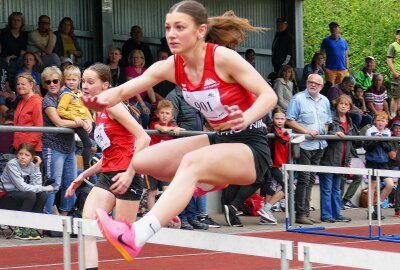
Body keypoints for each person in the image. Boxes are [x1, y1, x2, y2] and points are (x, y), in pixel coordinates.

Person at [83, 0, 276, 261]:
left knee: (192, 162)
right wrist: (100, 99)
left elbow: (268, 95)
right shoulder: (172, 66)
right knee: (141, 160)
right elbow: (126, 89)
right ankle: (182, 194)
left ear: (200, 31)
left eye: (180, 27)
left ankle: (137, 234)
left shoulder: (222, 58)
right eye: (168, 27)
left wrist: (247, 116)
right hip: (219, 141)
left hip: (251, 146)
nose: (171, 34)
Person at [65, 63, 150, 269]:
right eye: (83, 81)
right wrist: (82, 175)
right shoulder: (97, 111)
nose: (84, 85)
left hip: (125, 176)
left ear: (105, 85)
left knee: (122, 240)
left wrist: (130, 173)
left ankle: (158, 217)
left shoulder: (113, 105)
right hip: (107, 175)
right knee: (87, 225)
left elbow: (144, 138)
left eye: (90, 82)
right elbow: (110, 155)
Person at [41, 66, 89, 216]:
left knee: (71, 184)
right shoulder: (47, 100)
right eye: (48, 82)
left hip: (69, 148)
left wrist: (87, 119)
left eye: (55, 81)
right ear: (44, 84)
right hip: (53, 147)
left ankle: (65, 218)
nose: (52, 84)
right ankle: (47, 220)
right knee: (53, 185)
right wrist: (82, 122)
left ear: (60, 81)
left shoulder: (68, 94)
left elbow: (83, 109)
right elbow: (59, 123)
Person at [286, 74, 332, 225]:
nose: (312, 85)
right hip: (304, 144)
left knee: (311, 179)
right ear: (306, 83)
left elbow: (327, 122)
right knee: (304, 178)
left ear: (321, 86)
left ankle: (305, 211)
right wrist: (305, 131)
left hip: (320, 144)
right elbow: (289, 120)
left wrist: (324, 132)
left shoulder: (325, 100)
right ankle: (300, 213)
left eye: (316, 83)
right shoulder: (298, 98)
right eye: (310, 82)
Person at [0, 143, 53, 240]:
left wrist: (37, 167)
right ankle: (21, 228)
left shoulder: (32, 165)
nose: (23, 157)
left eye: (27, 155)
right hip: (5, 198)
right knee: (31, 195)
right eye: (20, 154)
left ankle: (30, 226)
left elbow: (37, 186)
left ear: (32, 157)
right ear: (17, 155)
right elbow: (22, 187)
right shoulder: (12, 164)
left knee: (42, 195)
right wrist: (45, 188)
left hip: (20, 197)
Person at [318, 95, 355, 223]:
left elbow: (350, 143)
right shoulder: (330, 118)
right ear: (337, 105)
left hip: (342, 160)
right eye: (341, 103)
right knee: (327, 188)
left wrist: (348, 160)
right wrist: (333, 134)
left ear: (349, 107)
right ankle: (326, 215)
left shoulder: (350, 121)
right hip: (328, 158)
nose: (343, 106)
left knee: (337, 188)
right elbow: (322, 133)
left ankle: (337, 213)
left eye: (346, 104)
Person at [146, 100, 184, 210]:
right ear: (157, 114)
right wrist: (174, 129)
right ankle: (150, 216)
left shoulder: (172, 125)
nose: (164, 116)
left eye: (167, 113)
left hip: (165, 164)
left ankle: (165, 214)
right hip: (152, 163)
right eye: (162, 113)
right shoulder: (155, 124)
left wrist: (175, 128)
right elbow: (162, 129)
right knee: (152, 192)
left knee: (167, 189)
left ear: (172, 116)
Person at [57, 65, 93, 171]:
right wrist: (75, 118)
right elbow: (60, 110)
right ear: (64, 80)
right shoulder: (66, 94)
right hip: (76, 122)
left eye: (74, 80)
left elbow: (86, 109)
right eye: (68, 79)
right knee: (88, 143)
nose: (71, 82)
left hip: (84, 121)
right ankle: (86, 167)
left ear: (79, 80)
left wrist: (89, 121)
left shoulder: (80, 93)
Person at [258, 107, 288, 225]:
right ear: (273, 119)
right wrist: (286, 133)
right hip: (274, 164)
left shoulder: (280, 129)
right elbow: (283, 139)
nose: (280, 121)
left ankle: (265, 216)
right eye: (277, 118)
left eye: (282, 118)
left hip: (280, 164)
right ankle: (266, 209)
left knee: (272, 188)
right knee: (288, 187)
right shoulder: (274, 129)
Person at [363, 111, 394, 220]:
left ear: (386, 122)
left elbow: (388, 149)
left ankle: (378, 204)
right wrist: (375, 140)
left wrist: (381, 140)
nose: (380, 122)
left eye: (383, 120)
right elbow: (367, 147)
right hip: (372, 161)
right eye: (379, 120)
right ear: (375, 121)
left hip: (384, 162)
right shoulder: (370, 131)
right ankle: (371, 210)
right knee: (373, 186)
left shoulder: (388, 132)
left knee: (389, 184)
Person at [126, 49, 156, 128]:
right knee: (141, 114)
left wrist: (155, 104)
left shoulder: (145, 70)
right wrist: (143, 105)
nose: (136, 59)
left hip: (142, 102)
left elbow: (149, 88)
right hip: (132, 101)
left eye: (138, 58)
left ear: (142, 59)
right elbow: (133, 88)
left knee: (156, 112)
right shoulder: (129, 69)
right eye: (134, 57)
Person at [13, 73, 43, 153]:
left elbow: (39, 128)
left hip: (31, 150)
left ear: (31, 85)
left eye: (23, 84)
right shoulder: (21, 101)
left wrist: (27, 148)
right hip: (19, 149)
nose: (20, 86)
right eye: (18, 84)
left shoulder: (37, 101)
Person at [387, 28, 400, 117]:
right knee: (395, 96)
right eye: (399, 33)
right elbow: (389, 60)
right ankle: (393, 116)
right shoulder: (393, 46)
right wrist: (394, 72)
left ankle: (398, 115)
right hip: (397, 74)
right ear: (396, 35)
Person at [388, 120, 400, 217]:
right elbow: (393, 156)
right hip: (392, 166)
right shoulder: (391, 140)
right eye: (396, 128)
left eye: (399, 128)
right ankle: (398, 208)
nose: (398, 130)